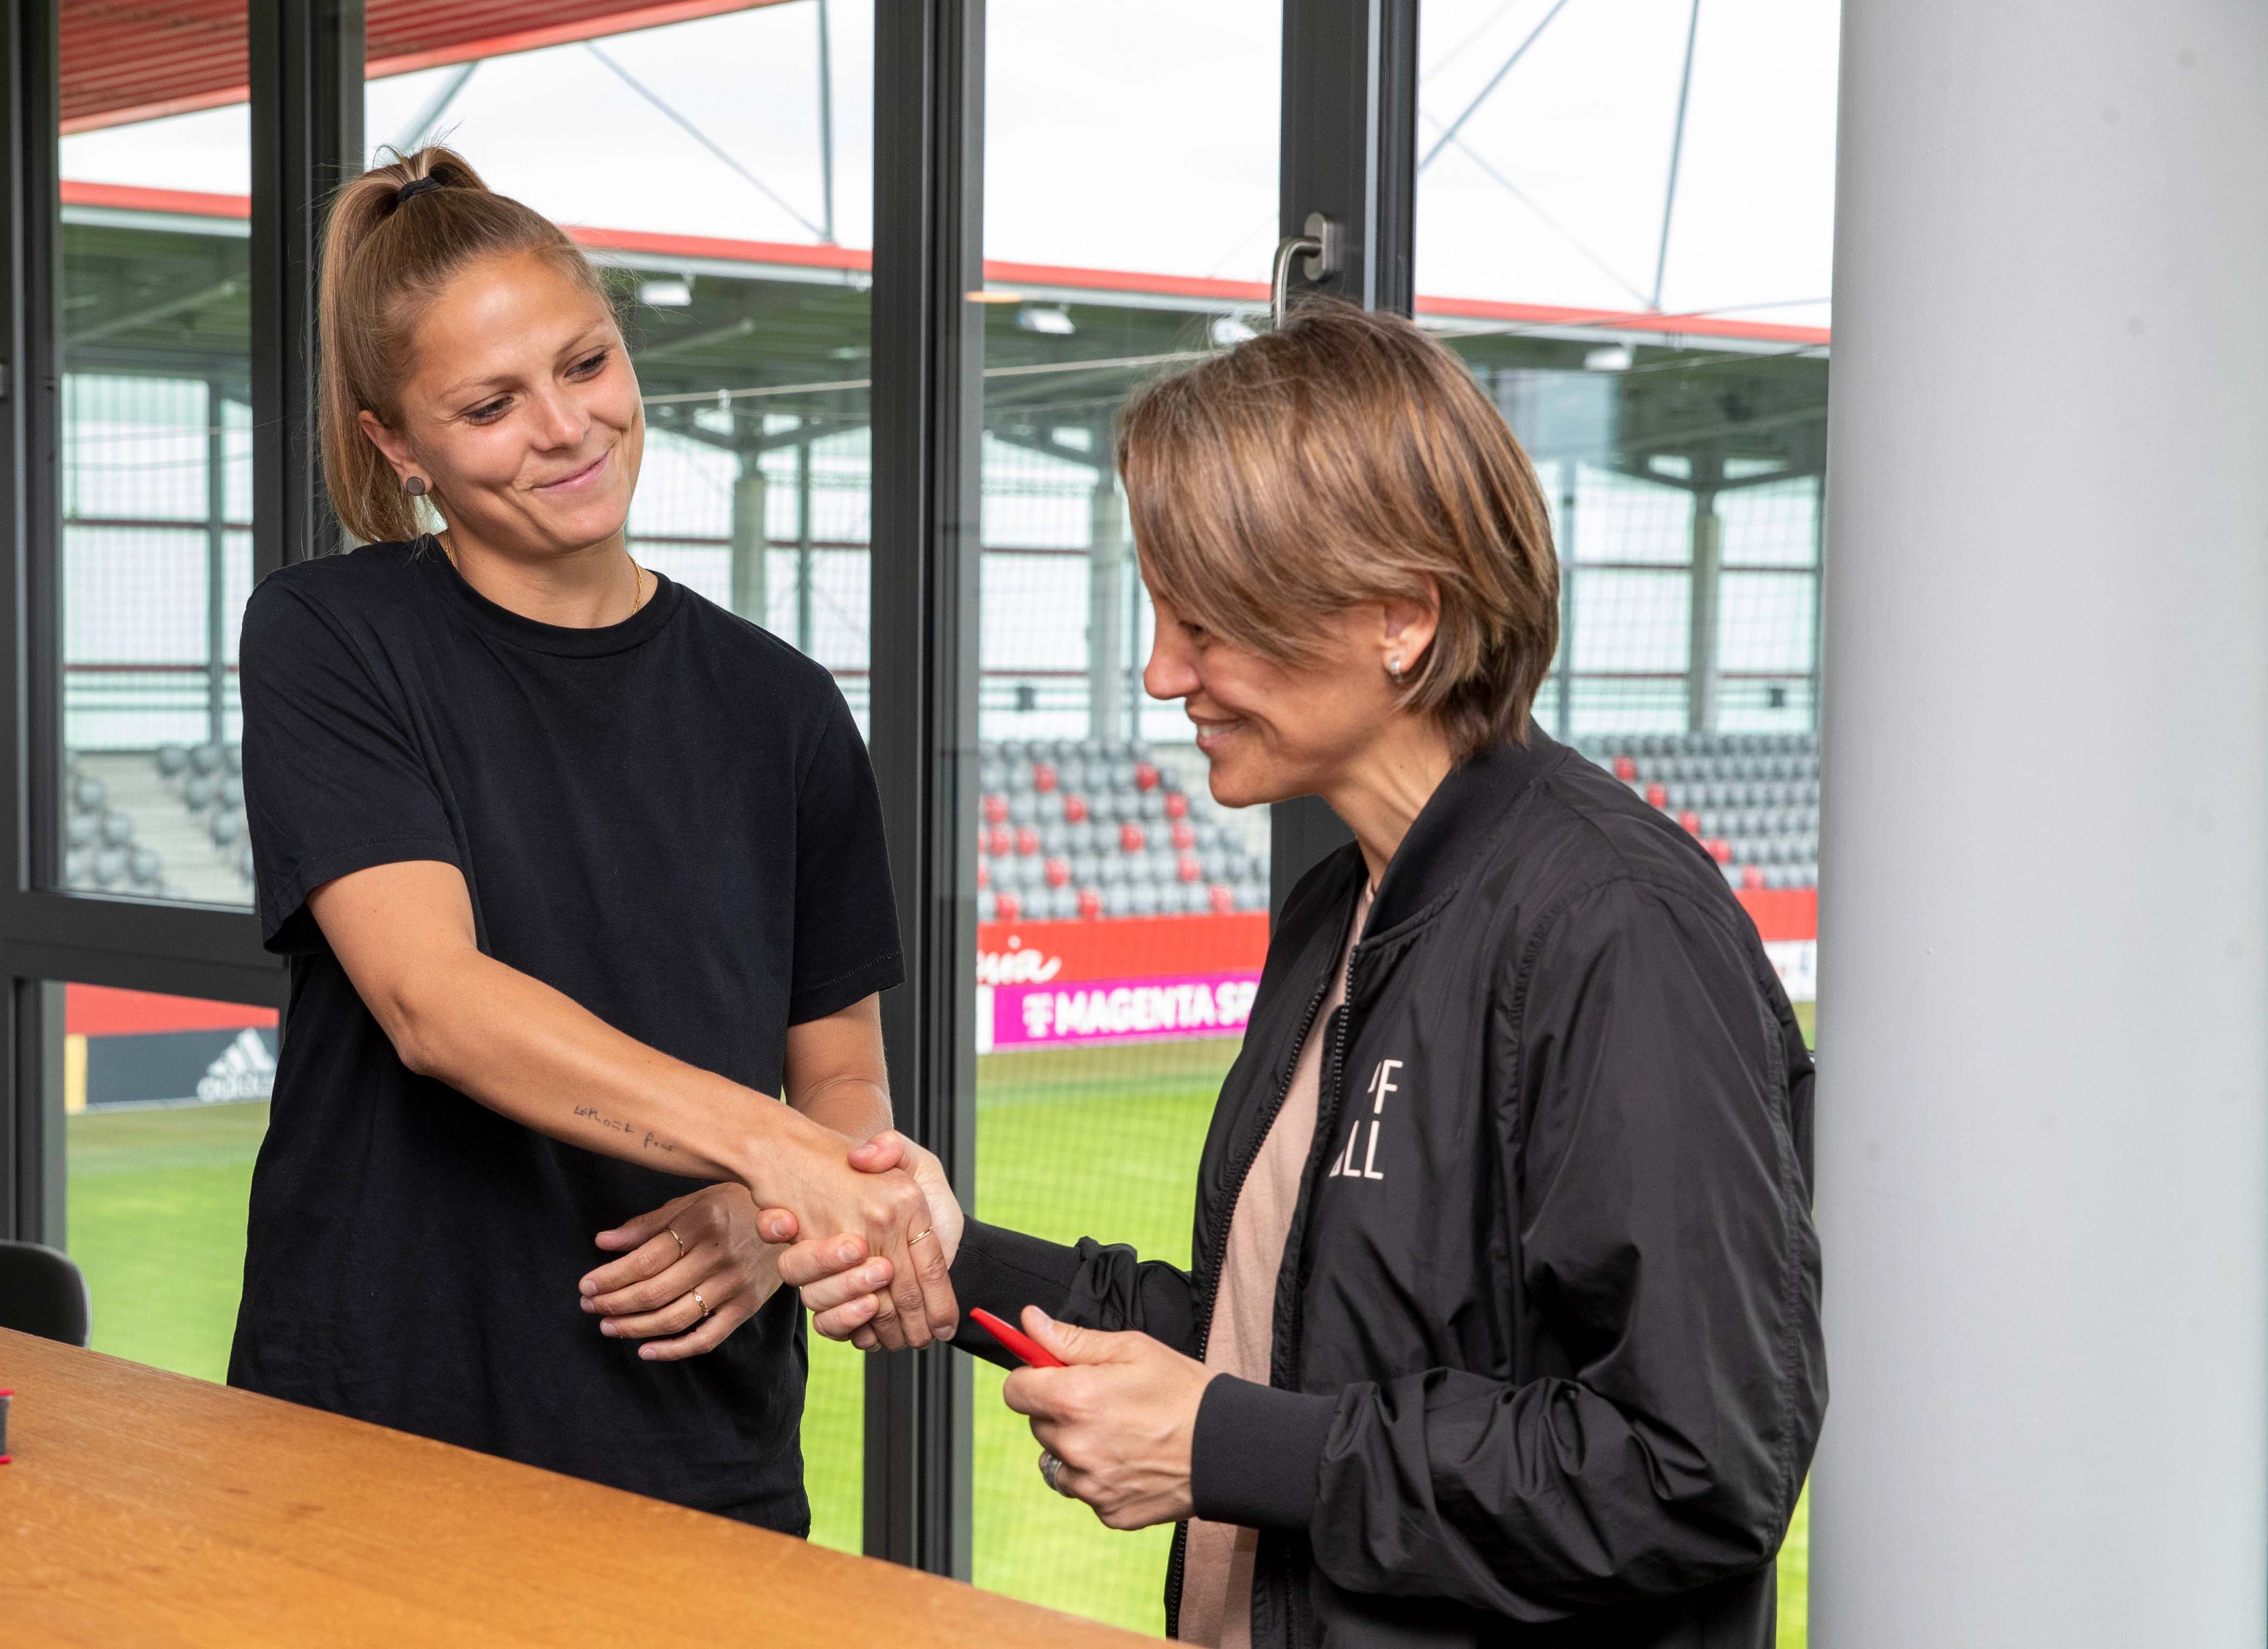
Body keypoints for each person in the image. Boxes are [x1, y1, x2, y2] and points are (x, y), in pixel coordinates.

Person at [779, 302, 1824, 1646]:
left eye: (1208, 622)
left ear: (1403, 617)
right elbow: (1274, 1342)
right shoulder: (1342, 902)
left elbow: (1697, 1471)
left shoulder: (1614, 928)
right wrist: (948, 1256)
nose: (1163, 675)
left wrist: (1232, 1454)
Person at [231, 147, 955, 1539]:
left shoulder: (785, 706)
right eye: (490, 406)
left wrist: (771, 1213)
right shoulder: (332, 637)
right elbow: (429, 1000)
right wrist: (772, 1149)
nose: (564, 428)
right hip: (381, 1413)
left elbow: (843, 1072)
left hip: (694, 1433)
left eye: (587, 363)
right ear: (398, 443)